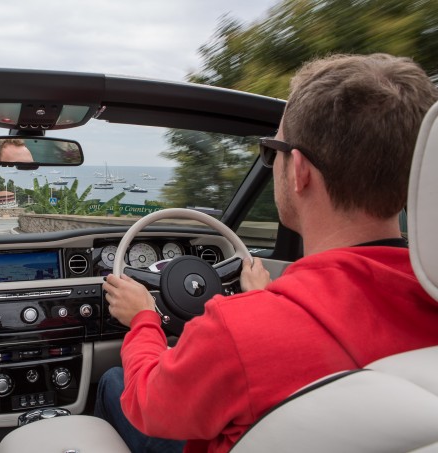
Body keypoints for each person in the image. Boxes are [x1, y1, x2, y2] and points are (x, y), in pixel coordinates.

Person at [96, 53, 438, 453]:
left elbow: (148, 405)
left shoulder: (239, 331)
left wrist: (143, 319)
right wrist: (261, 299)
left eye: (273, 149)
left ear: (300, 171)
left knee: (115, 382)